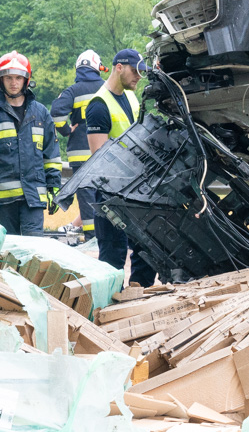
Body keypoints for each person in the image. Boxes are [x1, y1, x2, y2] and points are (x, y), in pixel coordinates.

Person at [86, 49, 156, 286]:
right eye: (135, 71)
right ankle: (108, 310)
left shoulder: (131, 97)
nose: (138, 76)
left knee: (148, 251)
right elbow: (100, 157)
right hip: (111, 196)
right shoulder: (98, 104)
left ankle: (137, 299)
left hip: (134, 191)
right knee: (113, 259)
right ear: (119, 67)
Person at [0, 51, 62, 236]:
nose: (13, 83)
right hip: (4, 201)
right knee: (7, 254)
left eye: (18, 78)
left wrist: (54, 186)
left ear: (26, 79)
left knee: (34, 250)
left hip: (33, 198)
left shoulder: (41, 113)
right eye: (8, 77)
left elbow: (51, 154)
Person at [50, 50, 106, 242]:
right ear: (97, 67)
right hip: (105, 153)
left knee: (86, 199)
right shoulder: (107, 88)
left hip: (79, 155)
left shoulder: (72, 91)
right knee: (105, 197)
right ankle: (105, 238)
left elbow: (56, 113)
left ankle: (92, 239)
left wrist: (67, 131)